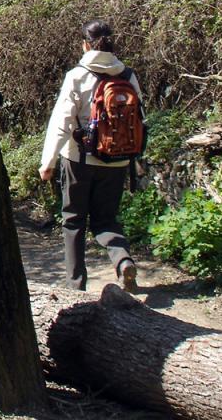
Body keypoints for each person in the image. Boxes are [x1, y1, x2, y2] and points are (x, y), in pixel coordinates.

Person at [39, 19, 142, 292]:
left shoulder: (77, 75)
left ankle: (76, 285)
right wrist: (136, 160)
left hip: (79, 160)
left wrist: (48, 162)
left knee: (73, 220)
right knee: (106, 220)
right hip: (118, 160)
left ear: (86, 44)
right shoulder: (127, 75)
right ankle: (123, 260)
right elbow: (139, 120)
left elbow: (62, 122)